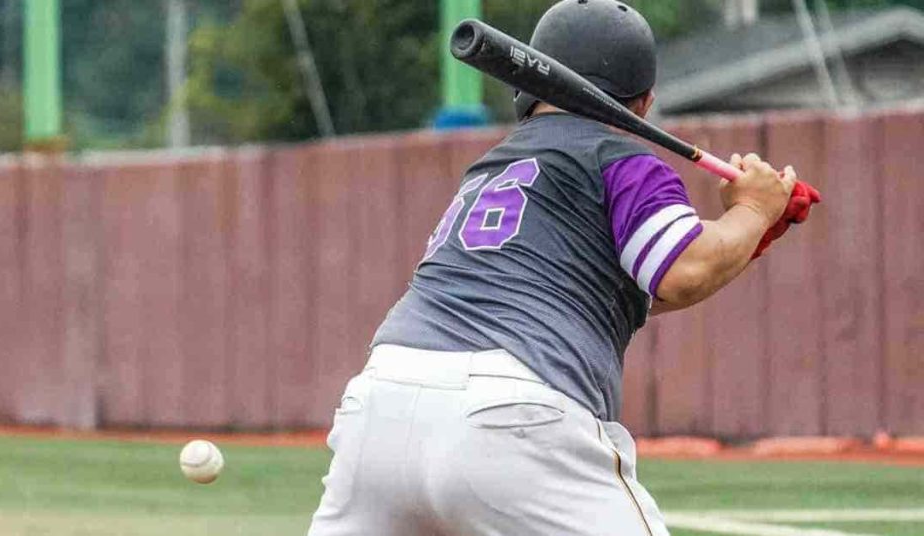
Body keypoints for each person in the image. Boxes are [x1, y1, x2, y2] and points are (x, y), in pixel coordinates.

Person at [307, 1, 820, 535]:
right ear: (643, 104)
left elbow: (628, 286)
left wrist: (744, 234)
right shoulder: (621, 158)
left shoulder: (493, 166)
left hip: (378, 411)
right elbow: (683, 270)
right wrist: (754, 210)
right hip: (510, 413)